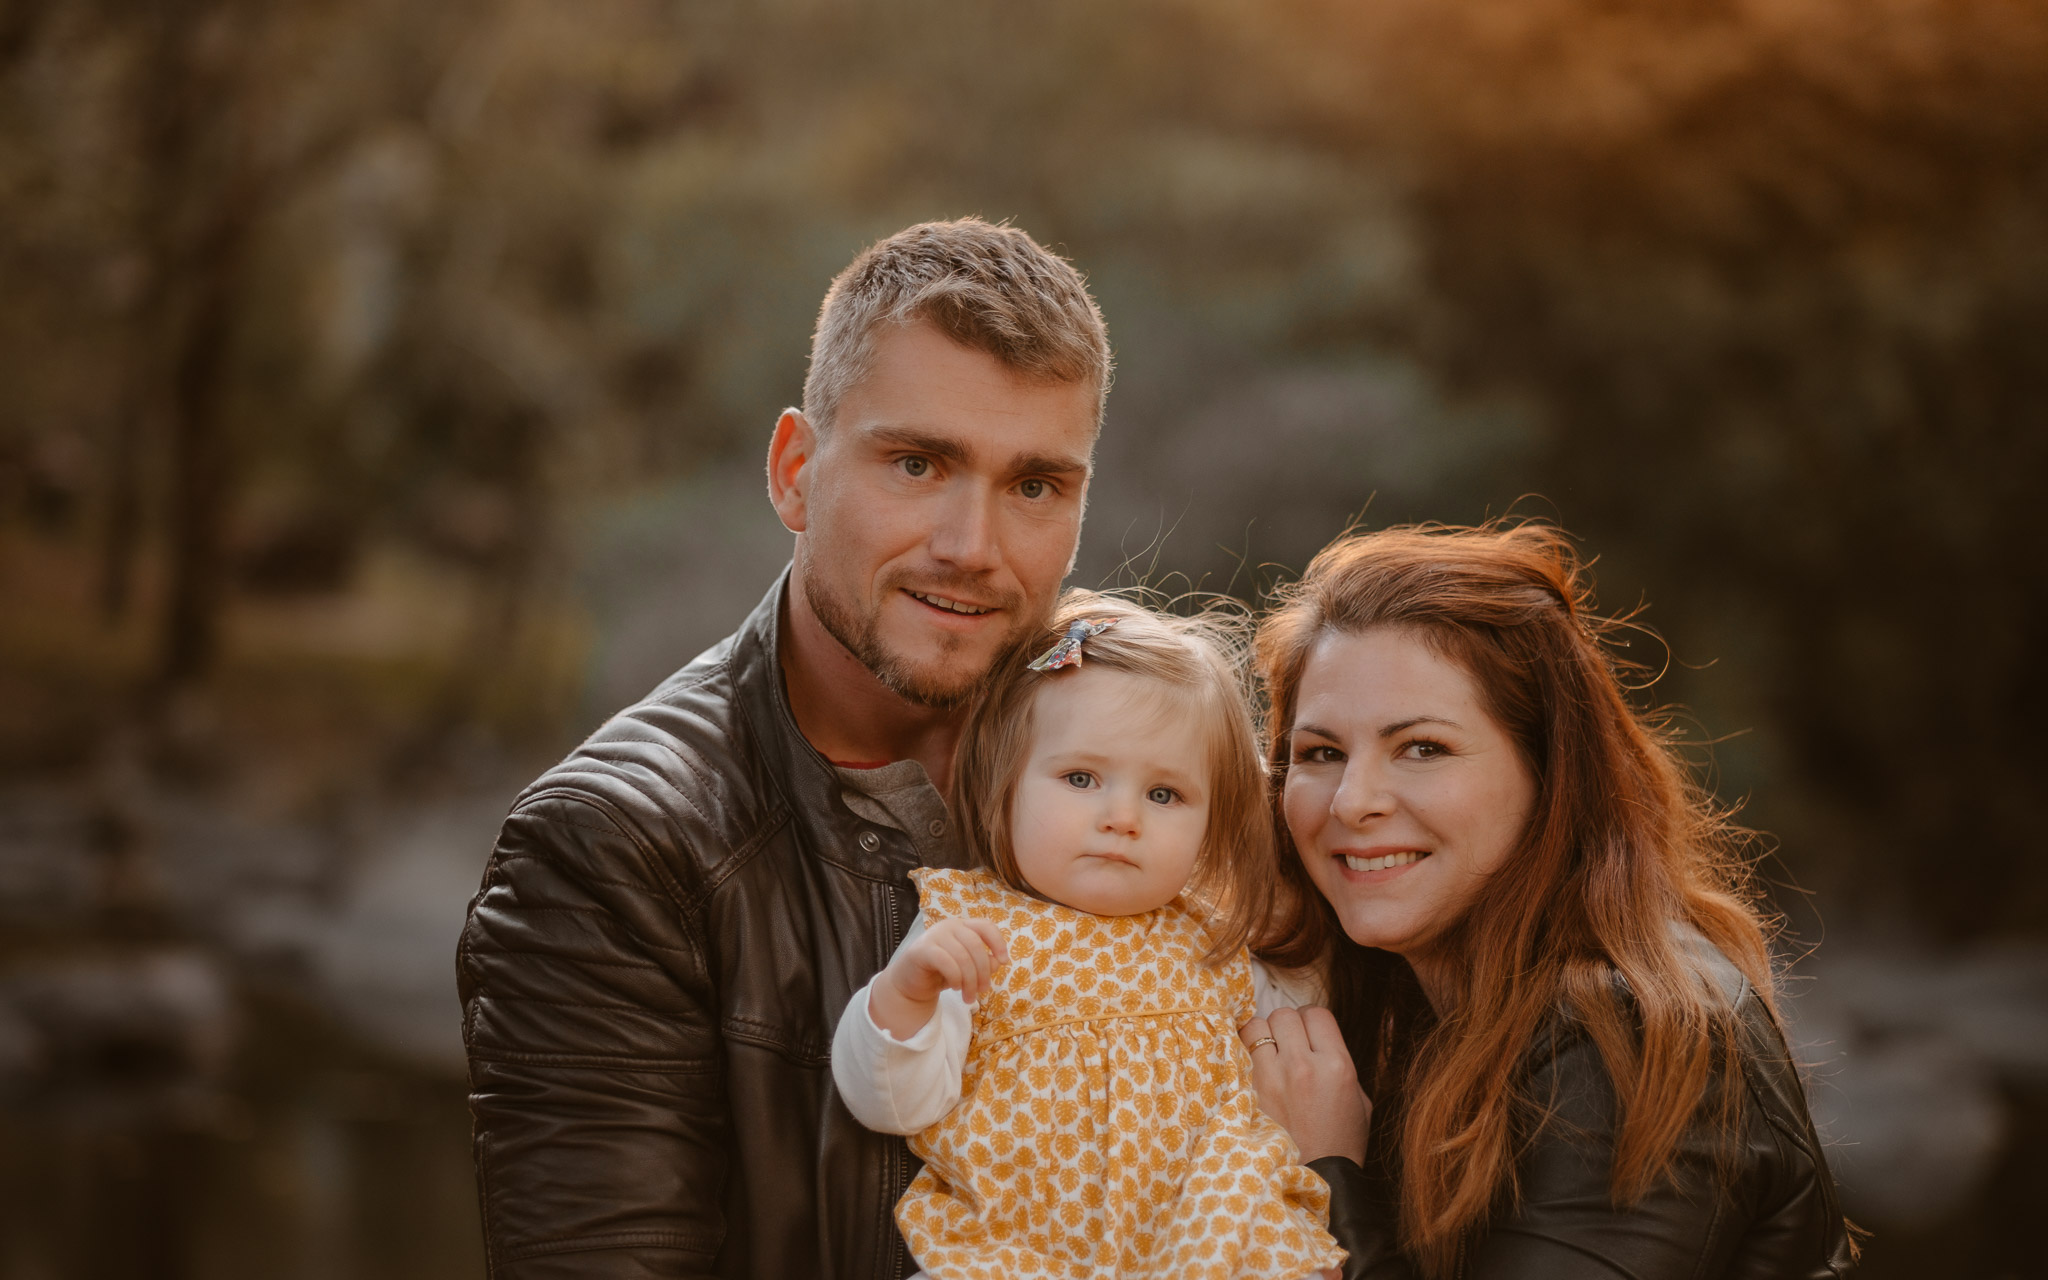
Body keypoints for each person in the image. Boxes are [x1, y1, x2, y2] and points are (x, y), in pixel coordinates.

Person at [456, 218, 1112, 1280]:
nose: (970, 546)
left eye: (1033, 485)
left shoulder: (1159, 773)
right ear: (795, 470)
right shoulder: (610, 847)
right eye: (915, 462)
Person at [1238, 522, 1856, 1279]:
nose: (1352, 801)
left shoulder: (1625, 1030)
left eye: (1422, 748)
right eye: (1321, 754)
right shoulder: (1404, 1006)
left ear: (1550, 772)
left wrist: (1326, 1173)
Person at [829, 592, 1345, 1280]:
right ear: (1003, 785)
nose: (1122, 817)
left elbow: (1305, 1057)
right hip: (1020, 1249)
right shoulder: (970, 926)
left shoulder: (1217, 939)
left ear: (1212, 819)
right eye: (1081, 778)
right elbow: (892, 1104)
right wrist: (907, 995)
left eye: (1165, 795)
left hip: (1210, 1241)